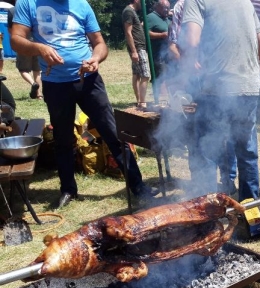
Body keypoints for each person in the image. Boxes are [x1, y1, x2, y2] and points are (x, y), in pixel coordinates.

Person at [11, 0, 157, 209]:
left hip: (89, 81)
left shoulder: (81, 5)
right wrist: (40, 48)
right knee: (63, 139)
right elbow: (16, 40)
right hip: (55, 84)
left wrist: (96, 59)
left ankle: (138, 186)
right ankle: (68, 189)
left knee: (113, 133)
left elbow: (100, 44)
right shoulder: (29, 3)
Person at [181, 0, 260, 201]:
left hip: (215, 89)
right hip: (248, 87)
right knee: (246, 152)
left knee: (208, 153)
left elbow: (191, 43)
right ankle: (251, 212)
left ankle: (210, 214)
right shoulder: (245, 2)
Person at [7, 5, 42, 100]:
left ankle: (33, 83)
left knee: (23, 69)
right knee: (37, 70)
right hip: (37, 43)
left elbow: (11, 30)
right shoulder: (36, 7)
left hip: (23, 43)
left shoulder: (12, 11)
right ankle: (39, 95)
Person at [123, 0, 150, 108]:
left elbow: (134, 28)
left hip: (138, 47)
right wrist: (134, 51)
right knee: (146, 74)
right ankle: (142, 102)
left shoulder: (132, 12)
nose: (143, 4)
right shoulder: (128, 11)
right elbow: (128, 32)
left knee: (137, 74)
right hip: (138, 48)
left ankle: (139, 100)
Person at [147, 0, 171, 101]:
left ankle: (169, 98)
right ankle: (158, 99)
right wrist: (163, 35)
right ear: (157, 7)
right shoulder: (151, 17)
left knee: (170, 74)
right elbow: (146, 33)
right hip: (157, 53)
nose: (167, 10)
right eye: (165, 7)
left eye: (168, 8)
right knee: (159, 76)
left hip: (168, 53)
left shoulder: (166, 18)